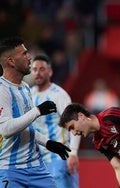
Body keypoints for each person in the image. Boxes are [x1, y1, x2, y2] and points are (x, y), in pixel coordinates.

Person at [0, 36, 70, 187]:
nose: (30, 57)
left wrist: (48, 143)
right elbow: (5, 129)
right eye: (24, 54)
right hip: (11, 170)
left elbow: (26, 126)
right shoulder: (2, 90)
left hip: (37, 168)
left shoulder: (25, 87)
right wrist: (38, 110)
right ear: (11, 61)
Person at [59, 103, 120, 188]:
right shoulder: (98, 142)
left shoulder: (111, 115)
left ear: (81, 116)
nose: (74, 133)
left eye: (72, 127)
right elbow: (118, 166)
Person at [30, 53, 81, 188]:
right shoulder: (29, 94)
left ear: (50, 72)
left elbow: (75, 124)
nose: (38, 73)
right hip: (37, 162)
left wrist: (74, 153)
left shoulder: (59, 95)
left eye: (42, 69)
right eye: (35, 69)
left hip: (59, 159)